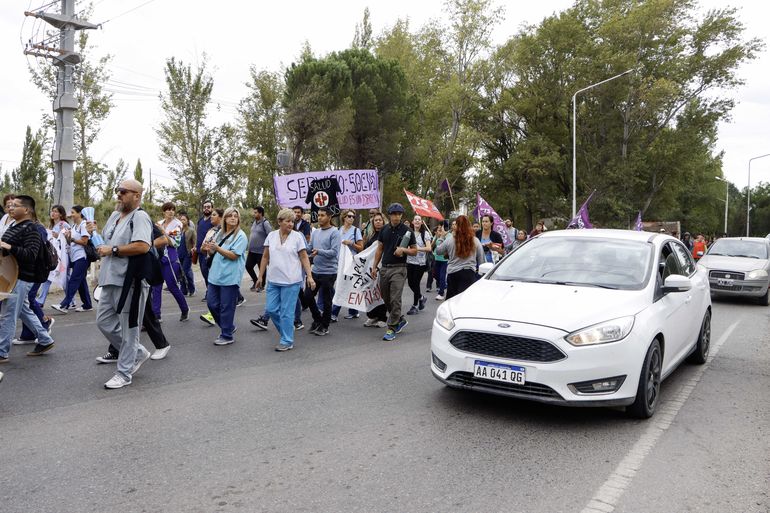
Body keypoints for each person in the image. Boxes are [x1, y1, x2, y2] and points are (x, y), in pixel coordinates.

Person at [94, 179, 154, 389]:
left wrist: (114, 250)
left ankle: (124, 372)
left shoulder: (140, 217)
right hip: (109, 279)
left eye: (123, 192)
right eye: (117, 191)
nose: (118, 195)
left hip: (130, 281)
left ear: (136, 196)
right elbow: (106, 242)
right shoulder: (114, 216)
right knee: (104, 322)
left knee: (130, 329)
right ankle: (137, 353)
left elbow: (143, 246)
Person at [95, 222, 173, 362]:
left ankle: (162, 345)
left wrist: (142, 245)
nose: (119, 200)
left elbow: (163, 239)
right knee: (120, 313)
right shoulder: (118, 220)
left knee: (144, 313)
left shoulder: (140, 218)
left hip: (140, 271)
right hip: (123, 274)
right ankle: (116, 350)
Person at [0, 195, 56, 363]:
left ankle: (2, 351)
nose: (10, 208)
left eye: (15, 205)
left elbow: (31, 255)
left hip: (22, 277)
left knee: (9, 315)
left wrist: (9, 247)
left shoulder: (31, 228)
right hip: (11, 276)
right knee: (23, 310)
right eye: (9, 205)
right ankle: (45, 340)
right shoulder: (13, 225)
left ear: (26, 210)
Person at [255, 208, 315, 351]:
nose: (291, 224)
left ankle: (287, 340)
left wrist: (309, 276)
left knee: (287, 312)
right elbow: (265, 257)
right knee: (271, 309)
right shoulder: (271, 235)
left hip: (291, 281)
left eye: (292, 221)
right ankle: (287, 332)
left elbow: (304, 257)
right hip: (273, 280)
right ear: (279, 221)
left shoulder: (297, 237)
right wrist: (260, 276)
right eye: (288, 221)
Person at [370, 203, 417, 341]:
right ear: (389, 215)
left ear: (401, 215)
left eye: (399, 214)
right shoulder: (384, 229)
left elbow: (414, 250)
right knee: (386, 298)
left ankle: (391, 327)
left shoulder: (408, 230)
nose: (397, 216)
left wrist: (404, 250)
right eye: (394, 214)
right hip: (385, 268)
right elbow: (380, 249)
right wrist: (374, 266)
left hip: (399, 268)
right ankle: (399, 320)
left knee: (395, 299)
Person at [202, 207, 247, 345]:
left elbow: (234, 256)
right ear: (225, 219)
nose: (233, 218)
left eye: (236, 216)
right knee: (212, 303)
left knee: (226, 307)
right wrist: (208, 249)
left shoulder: (241, 236)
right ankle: (229, 327)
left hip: (230, 277)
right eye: (230, 216)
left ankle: (227, 335)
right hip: (215, 275)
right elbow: (211, 251)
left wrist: (218, 248)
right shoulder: (219, 233)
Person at [12, 207, 56, 346]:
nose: (11, 210)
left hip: (35, 270)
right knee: (25, 303)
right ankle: (30, 334)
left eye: (13, 206)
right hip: (22, 271)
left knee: (28, 299)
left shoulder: (37, 228)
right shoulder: (17, 227)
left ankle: (44, 323)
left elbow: (35, 251)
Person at [304, 207, 341, 336]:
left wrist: (319, 251)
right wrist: (302, 249)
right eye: (318, 215)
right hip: (316, 271)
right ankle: (317, 319)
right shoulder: (315, 232)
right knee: (307, 296)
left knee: (326, 300)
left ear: (329, 217)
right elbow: (309, 248)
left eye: (322, 215)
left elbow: (334, 252)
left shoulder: (335, 232)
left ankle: (324, 325)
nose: (319, 217)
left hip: (329, 272)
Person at [51, 205, 93, 314]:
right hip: (74, 257)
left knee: (74, 280)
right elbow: (71, 242)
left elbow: (84, 241)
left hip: (82, 257)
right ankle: (87, 304)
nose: (71, 215)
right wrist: (67, 238)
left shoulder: (83, 225)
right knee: (81, 281)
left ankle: (64, 305)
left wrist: (72, 239)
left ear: (80, 214)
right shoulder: (74, 226)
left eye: (73, 213)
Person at [152, 202, 189, 322]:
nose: (171, 212)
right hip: (158, 257)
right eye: (168, 209)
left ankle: (185, 309)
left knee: (172, 286)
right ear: (164, 211)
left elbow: (175, 242)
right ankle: (156, 315)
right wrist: (163, 234)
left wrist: (163, 233)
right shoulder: (159, 223)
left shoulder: (177, 224)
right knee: (156, 286)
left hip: (171, 258)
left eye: (173, 210)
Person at [435, 215, 484, 299]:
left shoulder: (450, 240)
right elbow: (481, 261)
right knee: (465, 301)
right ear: (469, 226)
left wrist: (441, 237)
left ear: (456, 226)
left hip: (453, 273)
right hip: (469, 274)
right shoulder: (475, 240)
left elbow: (438, 251)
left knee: (452, 301)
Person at [331, 208, 363, 321]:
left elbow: (361, 247)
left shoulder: (356, 231)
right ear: (344, 217)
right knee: (346, 286)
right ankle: (353, 311)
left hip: (351, 262)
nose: (351, 218)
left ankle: (334, 313)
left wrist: (351, 243)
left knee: (342, 285)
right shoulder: (339, 230)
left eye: (353, 217)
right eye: (349, 216)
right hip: (340, 262)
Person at [36, 205, 70, 306]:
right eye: (52, 211)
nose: (53, 213)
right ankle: (41, 300)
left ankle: (70, 300)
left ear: (60, 214)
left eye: (55, 211)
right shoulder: (51, 226)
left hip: (62, 255)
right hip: (53, 254)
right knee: (49, 276)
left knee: (64, 277)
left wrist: (59, 235)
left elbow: (68, 239)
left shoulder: (64, 224)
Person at [363, 212, 388, 328]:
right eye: (375, 220)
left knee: (380, 293)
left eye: (380, 220)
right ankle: (372, 316)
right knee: (369, 292)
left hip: (382, 267)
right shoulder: (370, 236)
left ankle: (382, 317)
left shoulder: (387, 234)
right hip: (370, 268)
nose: (378, 222)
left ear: (383, 221)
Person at [405, 214, 433, 315]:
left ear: (421, 222)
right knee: (410, 283)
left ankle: (415, 305)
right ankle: (421, 297)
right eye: (415, 219)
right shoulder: (409, 233)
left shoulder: (424, 234)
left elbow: (429, 248)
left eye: (419, 220)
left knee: (416, 283)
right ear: (412, 222)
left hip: (420, 263)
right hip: (409, 261)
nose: (417, 221)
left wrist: (417, 248)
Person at [245, 206, 272, 292]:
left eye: (255, 212)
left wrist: (268, 250)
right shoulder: (254, 223)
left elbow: (270, 236)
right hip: (252, 251)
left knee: (262, 269)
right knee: (248, 266)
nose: (254, 214)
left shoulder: (265, 223)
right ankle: (256, 281)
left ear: (260, 213)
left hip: (262, 251)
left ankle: (261, 285)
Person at [196, 200, 214, 300]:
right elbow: (198, 234)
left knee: (209, 273)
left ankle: (210, 293)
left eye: (208, 207)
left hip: (209, 252)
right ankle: (210, 292)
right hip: (200, 251)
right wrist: (195, 246)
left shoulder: (213, 220)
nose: (206, 208)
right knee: (204, 272)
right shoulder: (200, 220)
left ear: (212, 208)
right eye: (205, 207)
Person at [177, 211, 196, 297]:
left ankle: (190, 289)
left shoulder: (191, 231)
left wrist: (194, 248)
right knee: (183, 272)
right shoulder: (178, 231)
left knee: (184, 272)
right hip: (178, 254)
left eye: (184, 220)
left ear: (187, 221)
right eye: (180, 220)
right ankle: (184, 290)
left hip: (187, 254)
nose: (182, 221)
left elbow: (195, 242)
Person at [432, 221, 449, 301]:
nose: (439, 228)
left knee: (442, 276)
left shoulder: (449, 235)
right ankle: (444, 284)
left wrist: (442, 237)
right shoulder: (437, 235)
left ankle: (441, 293)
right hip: (436, 258)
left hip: (444, 260)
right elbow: (432, 246)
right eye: (438, 227)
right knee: (435, 275)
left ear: (443, 227)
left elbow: (447, 247)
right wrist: (436, 237)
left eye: (440, 227)